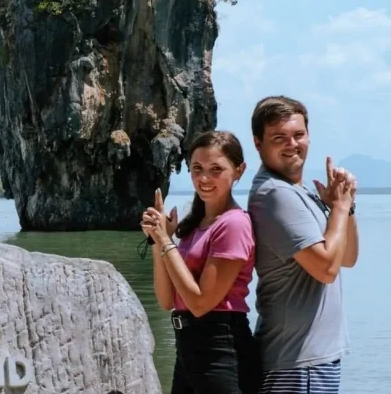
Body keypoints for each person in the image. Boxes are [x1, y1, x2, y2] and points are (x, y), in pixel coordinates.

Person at [247, 96, 359, 393]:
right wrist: (337, 209)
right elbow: (326, 269)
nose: (292, 144)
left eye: (298, 135)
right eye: (278, 138)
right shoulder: (275, 195)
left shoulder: (299, 193)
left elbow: (345, 258)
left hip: (312, 360)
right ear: (258, 143)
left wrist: (345, 207)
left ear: (309, 136)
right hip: (297, 364)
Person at [142, 130, 261, 394]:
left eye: (216, 169)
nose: (204, 178)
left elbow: (199, 303)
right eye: (197, 168)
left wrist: (166, 241)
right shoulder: (193, 227)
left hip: (221, 349)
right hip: (187, 349)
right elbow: (166, 300)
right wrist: (157, 240)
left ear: (239, 171)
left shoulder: (234, 224)